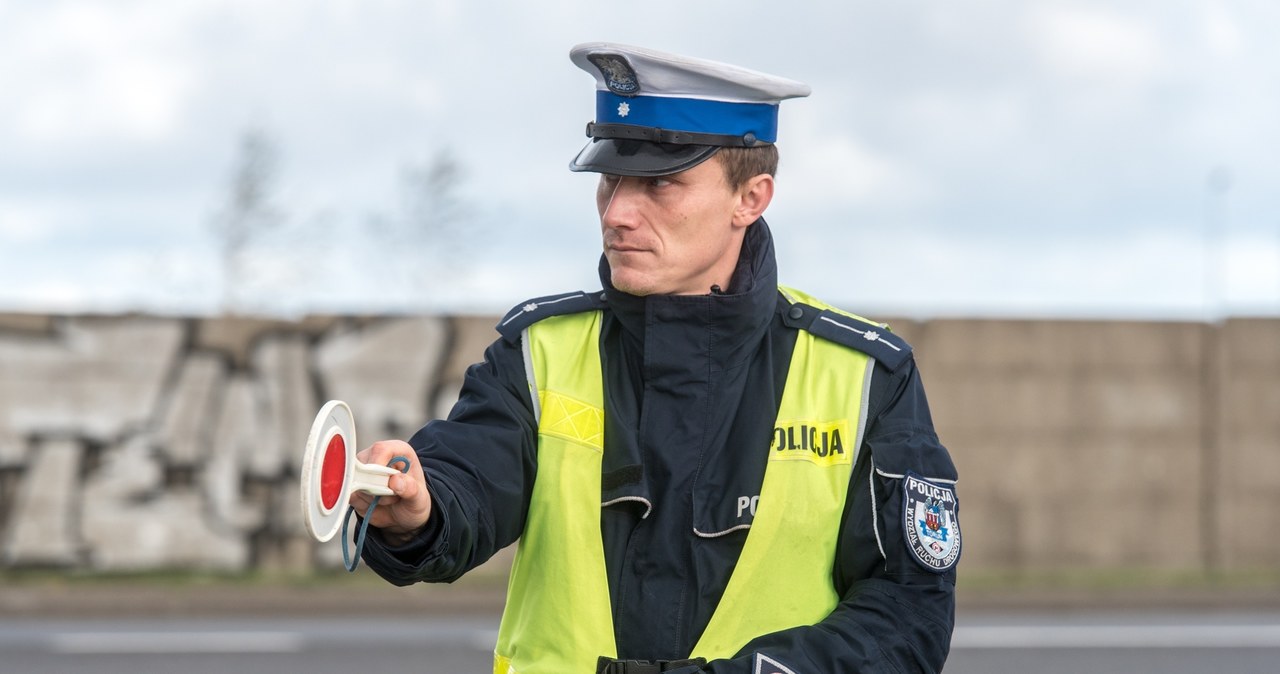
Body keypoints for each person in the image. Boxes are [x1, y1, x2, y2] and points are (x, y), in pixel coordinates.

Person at [351, 42, 960, 674]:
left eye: (658, 182)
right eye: (610, 178)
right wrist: (421, 510)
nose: (617, 213)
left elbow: (907, 615)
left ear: (750, 199)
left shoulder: (865, 376)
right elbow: (469, 480)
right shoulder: (538, 351)